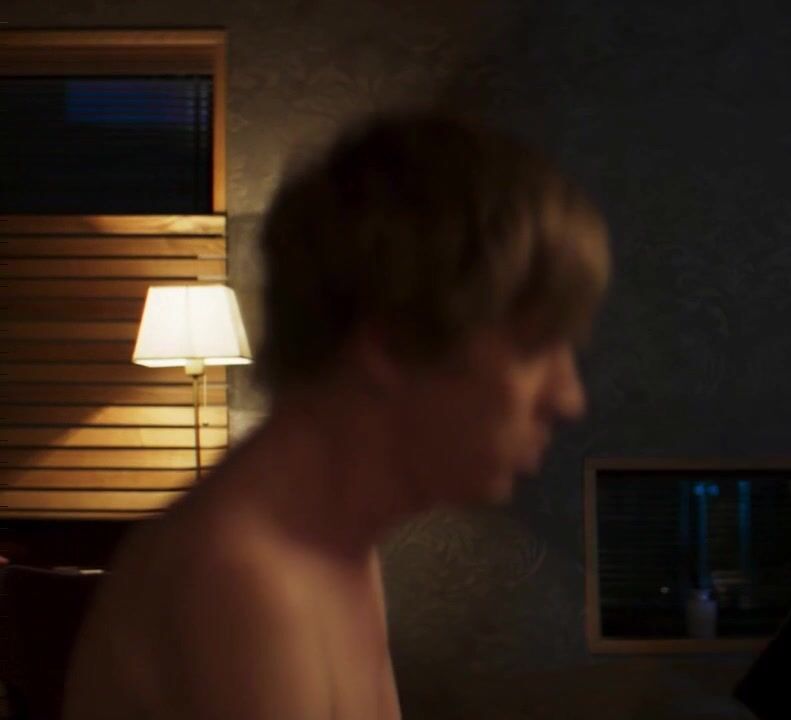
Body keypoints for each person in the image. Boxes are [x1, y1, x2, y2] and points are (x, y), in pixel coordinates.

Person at [62, 112, 611, 720]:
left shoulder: (336, 546)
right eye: (534, 347)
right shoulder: (240, 578)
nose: (569, 398)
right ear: (393, 341)